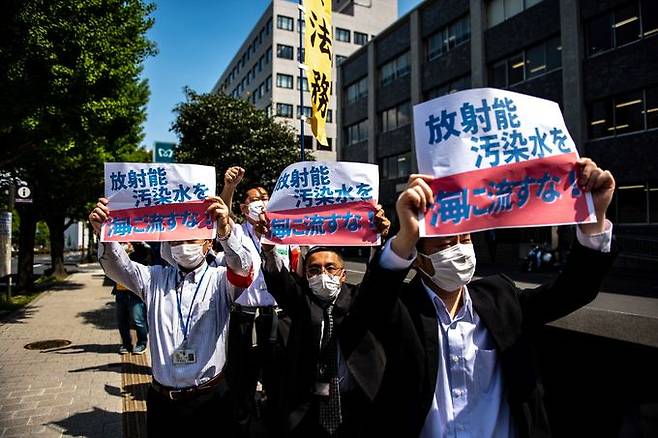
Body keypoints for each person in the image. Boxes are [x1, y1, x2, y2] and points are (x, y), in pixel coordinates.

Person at [356, 157, 616, 437]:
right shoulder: (400, 308)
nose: (459, 249)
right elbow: (369, 306)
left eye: (465, 240)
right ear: (417, 259)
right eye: (445, 244)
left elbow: (573, 291)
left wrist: (593, 219)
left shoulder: (500, 298)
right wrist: (404, 236)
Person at [88, 195, 256, 437]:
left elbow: (243, 270)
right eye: (177, 240)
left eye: (191, 238)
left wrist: (226, 233)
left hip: (210, 398)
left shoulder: (220, 280)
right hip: (163, 400)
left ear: (207, 243)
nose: (183, 245)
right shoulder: (154, 279)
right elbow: (116, 266)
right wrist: (105, 231)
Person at [259, 207, 391, 438]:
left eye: (330, 268)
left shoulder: (358, 300)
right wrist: (269, 249)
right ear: (306, 276)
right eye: (314, 270)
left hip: (357, 402)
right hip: (307, 405)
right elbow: (280, 280)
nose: (323, 274)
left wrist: (377, 242)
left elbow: (378, 279)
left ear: (343, 274)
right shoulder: (301, 303)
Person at [219, 166, 297, 437]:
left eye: (265, 196)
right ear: (243, 207)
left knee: (278, 382)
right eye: (254, 199)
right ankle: (242, 426)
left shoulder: (286, 233)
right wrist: (229, 186)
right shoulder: (238, 233)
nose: (261, 201)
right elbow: (223, 220)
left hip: (280, 317)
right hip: (245, 318)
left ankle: (274, 424)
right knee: (242, 383)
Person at [113, 242, 150, 355]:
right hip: (120, 291)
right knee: (122, 320)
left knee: (138, 319)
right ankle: (126, 344)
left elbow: (145, 262)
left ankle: (142, 343)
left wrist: (135, 245)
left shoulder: (142, 249)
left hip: (134, 292)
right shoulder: (115, 246)